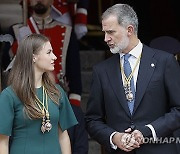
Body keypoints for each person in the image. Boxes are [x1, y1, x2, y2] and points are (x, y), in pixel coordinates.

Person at [85, 3, 180, 154]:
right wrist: (114, 137)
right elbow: (92, 119)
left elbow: (178, 109)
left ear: (129, 29)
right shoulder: (101, 70)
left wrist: (148, 131)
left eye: (110, 32)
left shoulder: (165, 61)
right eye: (104, 32)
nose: (105, 38)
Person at [5, 0, 89, 153]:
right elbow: (6, 68)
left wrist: (73, 108)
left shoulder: (66, 31)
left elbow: (74, 73)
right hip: (25, 99)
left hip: (57, 99)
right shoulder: (17, 31)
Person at [0, 33, 77, 154]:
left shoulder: (57, 91)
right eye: (49, 52)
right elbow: (3, 142)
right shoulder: (9, 95)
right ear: (33, 57)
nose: (55, 57)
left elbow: (63, 137)